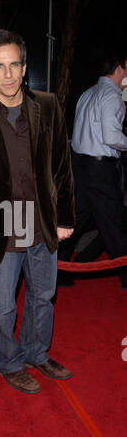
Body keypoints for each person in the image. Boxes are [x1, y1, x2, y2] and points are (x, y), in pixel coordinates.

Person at [0, 29, 75, 394]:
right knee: (3, 304)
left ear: (24, 68)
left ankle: (37, 353)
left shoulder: (49, 105)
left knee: (43, 296)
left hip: (41, 221)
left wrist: (66, 217)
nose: (8, 75)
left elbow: (61, 165)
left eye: (15, 65)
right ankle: (9, 361)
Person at [58, 52, 127, 288]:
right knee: (115, 223)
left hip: (80, 167)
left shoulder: (87, 93)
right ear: (119, 69)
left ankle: (58, 270)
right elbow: (112, 137)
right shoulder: (112, 96)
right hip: (101, 171)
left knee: (74, 223)